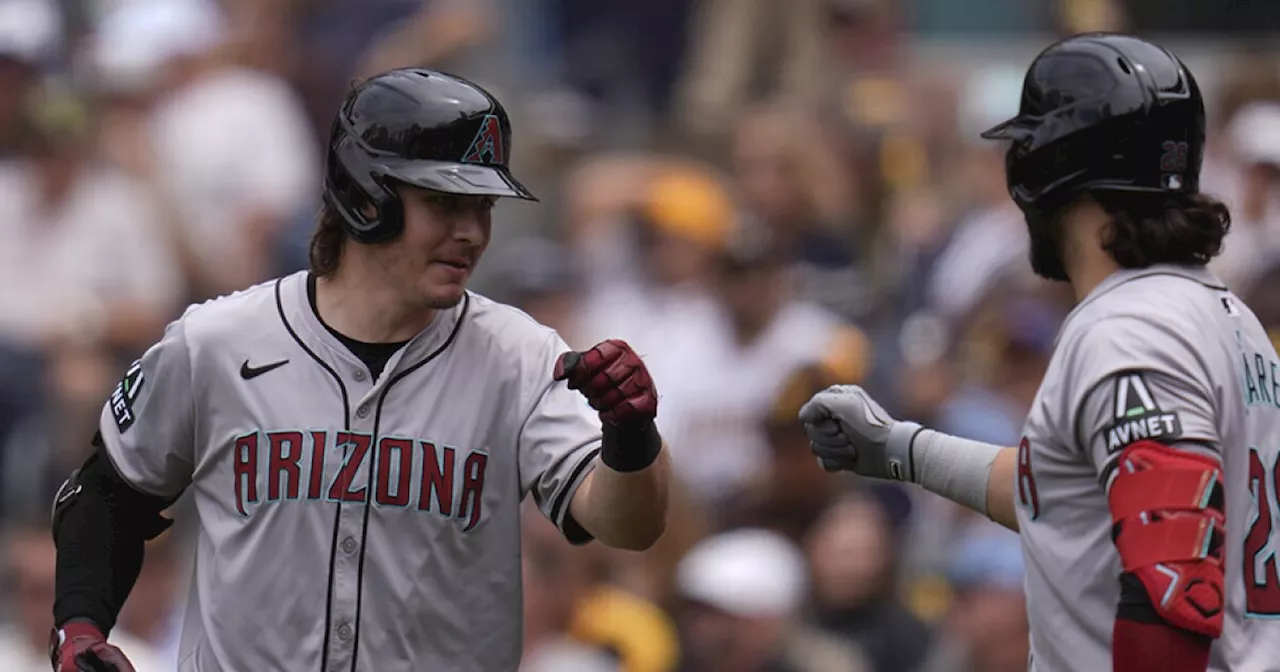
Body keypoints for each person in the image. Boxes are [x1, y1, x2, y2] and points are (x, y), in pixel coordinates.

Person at [48, 68, 671, 671]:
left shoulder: (520, 356)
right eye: (444, 203)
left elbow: (628, 523)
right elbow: (105, 492)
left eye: (482, 207)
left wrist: (630, 437)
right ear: (365, 194)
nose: (472, 233)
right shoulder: (218, 342)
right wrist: (79, 627)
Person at [799, 33, 1280, 672]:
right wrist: (901, 450)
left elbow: (1173, 580)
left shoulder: (1132, 328)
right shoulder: (1226, 317)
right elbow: (1065, 486)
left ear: (1045, 169)